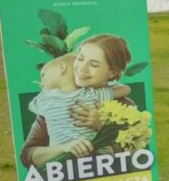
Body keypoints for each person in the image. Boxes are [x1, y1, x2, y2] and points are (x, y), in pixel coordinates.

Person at [21, 34, 133, 167]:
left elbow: (136, 154)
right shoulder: (54, 103)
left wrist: (102, 127)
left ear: (112, 72)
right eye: (80, 59)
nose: (82, 69)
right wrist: (65, 148)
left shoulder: (123, 105)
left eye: (94, 64)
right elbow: (28, 156)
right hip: (65, 175)